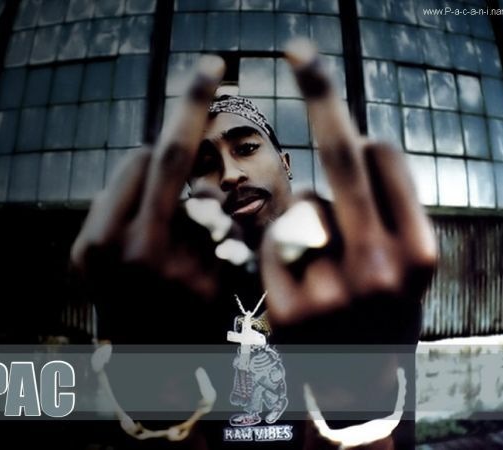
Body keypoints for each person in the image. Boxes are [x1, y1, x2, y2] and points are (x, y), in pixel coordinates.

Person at [71, 39, 437, 449]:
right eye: (204, 165)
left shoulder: (350, 278)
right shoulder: (168, 292)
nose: (230, 175)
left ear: (285, 163)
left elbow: (390, 438)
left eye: (246, 148)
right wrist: (155, 386)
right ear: (190, 188)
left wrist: (357, 399)